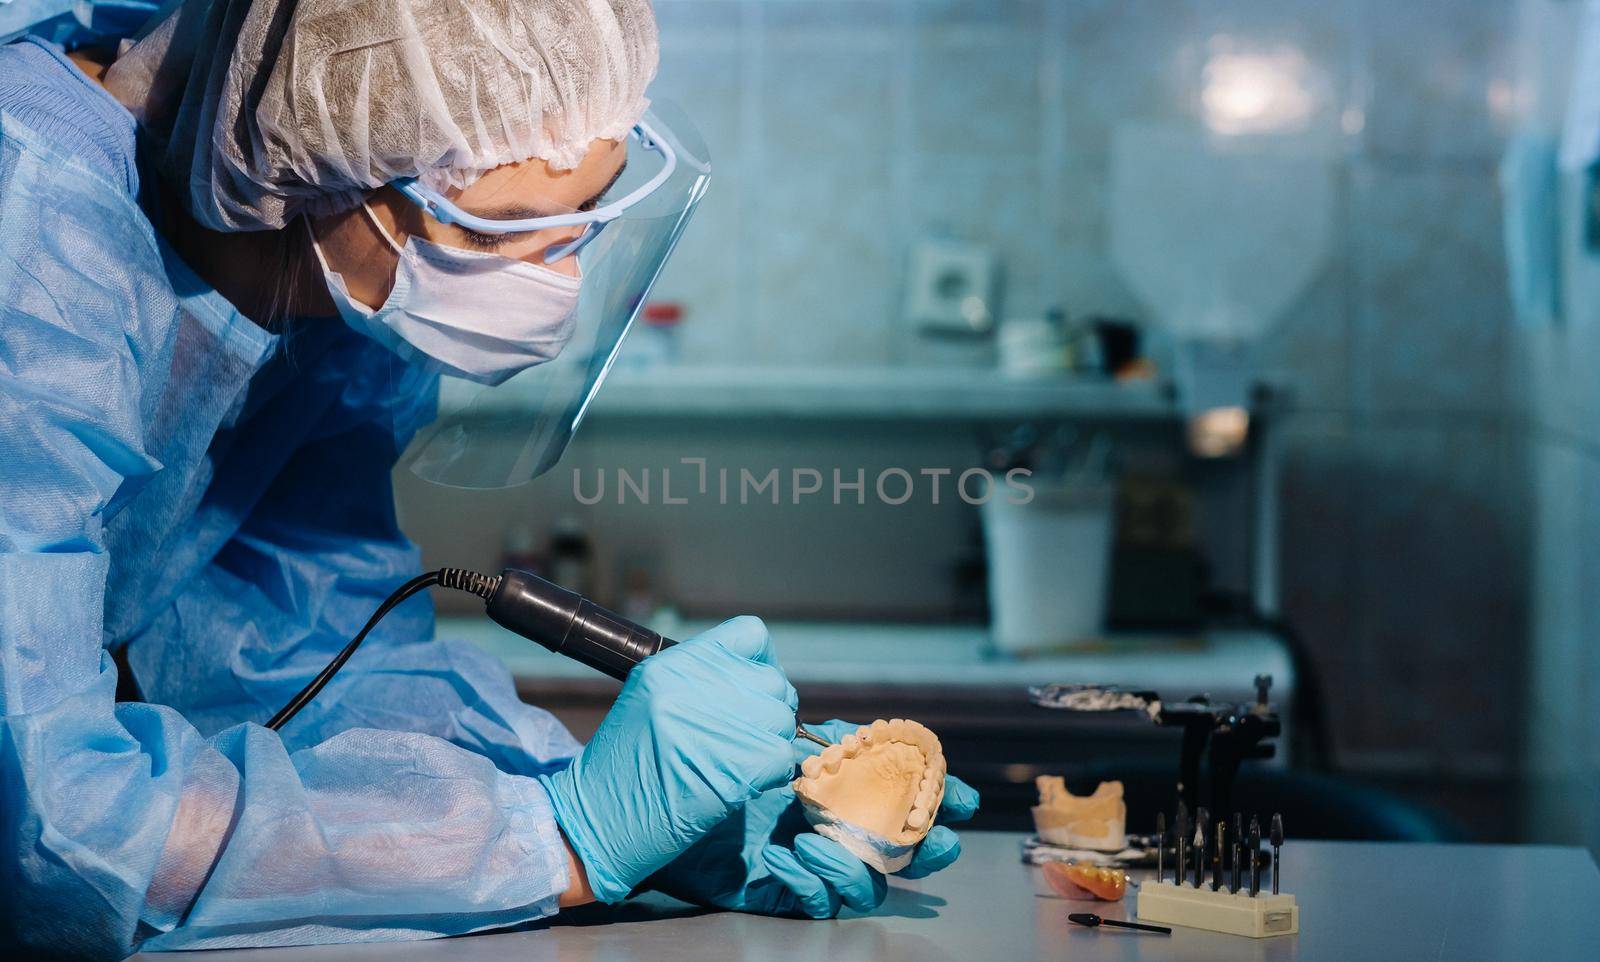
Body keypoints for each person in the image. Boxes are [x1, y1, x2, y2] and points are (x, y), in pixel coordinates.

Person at [0, 1, 976, 957]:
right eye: (498, 225)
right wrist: (557, 840)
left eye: (578, 218)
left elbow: (303, 666)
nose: (551, 282)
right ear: (320, 161)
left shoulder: (325, 291)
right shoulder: (32, 256)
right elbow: (49, 826)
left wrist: (630, 806)